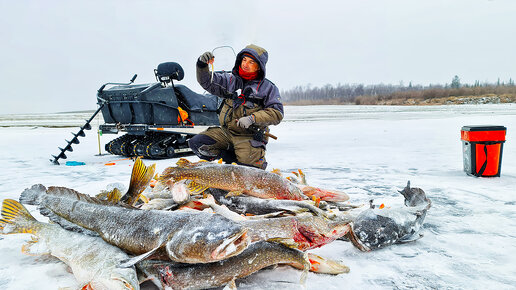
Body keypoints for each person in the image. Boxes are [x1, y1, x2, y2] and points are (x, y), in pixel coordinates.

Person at [188, 44, 283, 170]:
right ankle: (231, 159)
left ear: (259, 66)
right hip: (227, 133)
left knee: (249, 174)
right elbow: (207, 82)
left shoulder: (268, 88)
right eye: (244, 60)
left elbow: (276, 113)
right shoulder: (231, 80)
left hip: (248, 137)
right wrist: (202, 65)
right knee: (198, 143)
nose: (245, 64)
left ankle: (243, 162)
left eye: (251, 62)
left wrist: (252, 119)